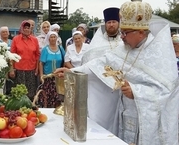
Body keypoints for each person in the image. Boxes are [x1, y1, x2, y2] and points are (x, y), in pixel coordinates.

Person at [54, 0, 179, 144]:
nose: (122, 37)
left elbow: (170, 91)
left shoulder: (159, 54)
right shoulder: (124, 49)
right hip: (124, 116)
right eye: (122, 32)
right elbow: (98, 65)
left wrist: (137, 92)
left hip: (147, 125)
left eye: (125, 33)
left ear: (141, 32)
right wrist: (71, 72)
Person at [9, 20, 40, 101]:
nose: (26, 29)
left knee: (31, 92)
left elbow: (37, 55)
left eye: (28, 28)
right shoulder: (16, 39)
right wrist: (11, 69)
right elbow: (11, 55)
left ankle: (30, 108)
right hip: (19, 69)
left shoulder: (34, 40)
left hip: (31, 69)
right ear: (21, 28)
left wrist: (37, 68)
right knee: (20, 92)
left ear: (30, 29)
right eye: (25, 28)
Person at [38, 31, 65, 108]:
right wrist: (41, 75)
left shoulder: (60, 49)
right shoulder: (45, 50)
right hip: (48, 77)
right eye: (51, 37)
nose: (53, 39)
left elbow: (64, 61)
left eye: (54, 37)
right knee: (47, 95)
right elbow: (41, 63)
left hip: (58, 77)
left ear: (57, 38)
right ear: (48, 39)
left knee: (58, 95)